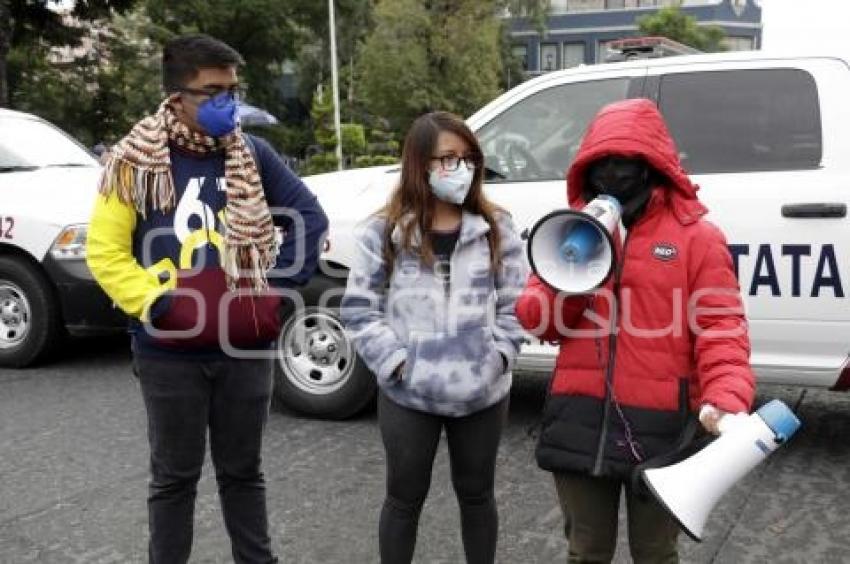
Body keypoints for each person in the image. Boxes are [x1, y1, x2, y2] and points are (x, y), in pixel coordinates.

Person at [86, 34, 328, 564]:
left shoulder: (253, 154)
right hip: (168, 352)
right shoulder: (134, 162)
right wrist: (159, 304)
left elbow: (309, 218)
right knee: (174, 480)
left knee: (244, 475)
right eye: (213, 92)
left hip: (245, 348)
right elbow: (104, 252)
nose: (229, 105)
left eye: (233, 91)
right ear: (176, 96)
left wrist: (279, 292)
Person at [515, 98, 755, 563]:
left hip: (661, 428)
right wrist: (577, 268)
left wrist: (725, 399)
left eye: (623, 163)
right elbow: (538, 319)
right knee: (585, 552)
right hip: (579, 419)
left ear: (651, 166)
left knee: (655, 554)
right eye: (599, 164)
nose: (611, 174)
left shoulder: (696, 238)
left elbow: (721, 326)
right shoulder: (571, 230)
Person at [340, 111, 528, 564]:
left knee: (478, 495)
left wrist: (499, 356)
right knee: (403, 499)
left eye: (467, 159)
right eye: (447, 159)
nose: (459, 169)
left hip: (483, 392)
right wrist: (398, 364)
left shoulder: (496, 228)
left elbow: (517, 303)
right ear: (419, 164)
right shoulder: (383, 231)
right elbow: (360, 309)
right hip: (409, 394)